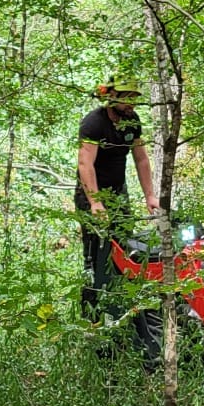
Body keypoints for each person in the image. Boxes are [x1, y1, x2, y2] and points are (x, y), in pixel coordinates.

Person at [75, 80, 159, 330]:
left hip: (119, 194)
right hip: (92, 195)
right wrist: (95, 203)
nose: (131, 104)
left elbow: (141, 159)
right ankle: (91, 319)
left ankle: (121, 312)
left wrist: (150, 196)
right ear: (112, 99)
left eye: (134, 99)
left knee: (124, 252)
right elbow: (85, 164)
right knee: (96, 257)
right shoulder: (94, 122)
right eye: (127, 99)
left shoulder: (132, 121)